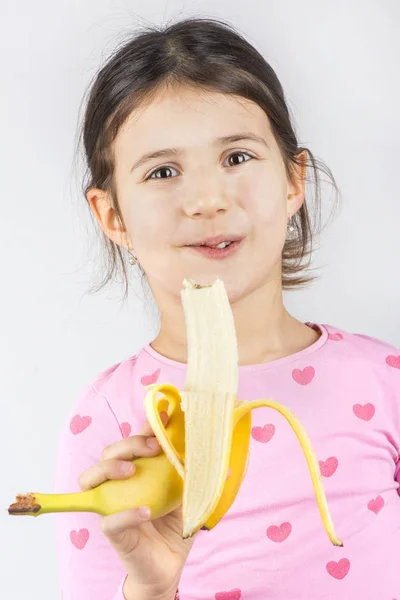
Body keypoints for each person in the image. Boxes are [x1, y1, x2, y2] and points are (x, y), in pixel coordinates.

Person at [54, 16, 400, 600]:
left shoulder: (384, 382)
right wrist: (151, 587)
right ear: (113, 216)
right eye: (163, 171)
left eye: (237, 157)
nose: (209, 200)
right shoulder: (111, 423)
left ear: (293, 182)